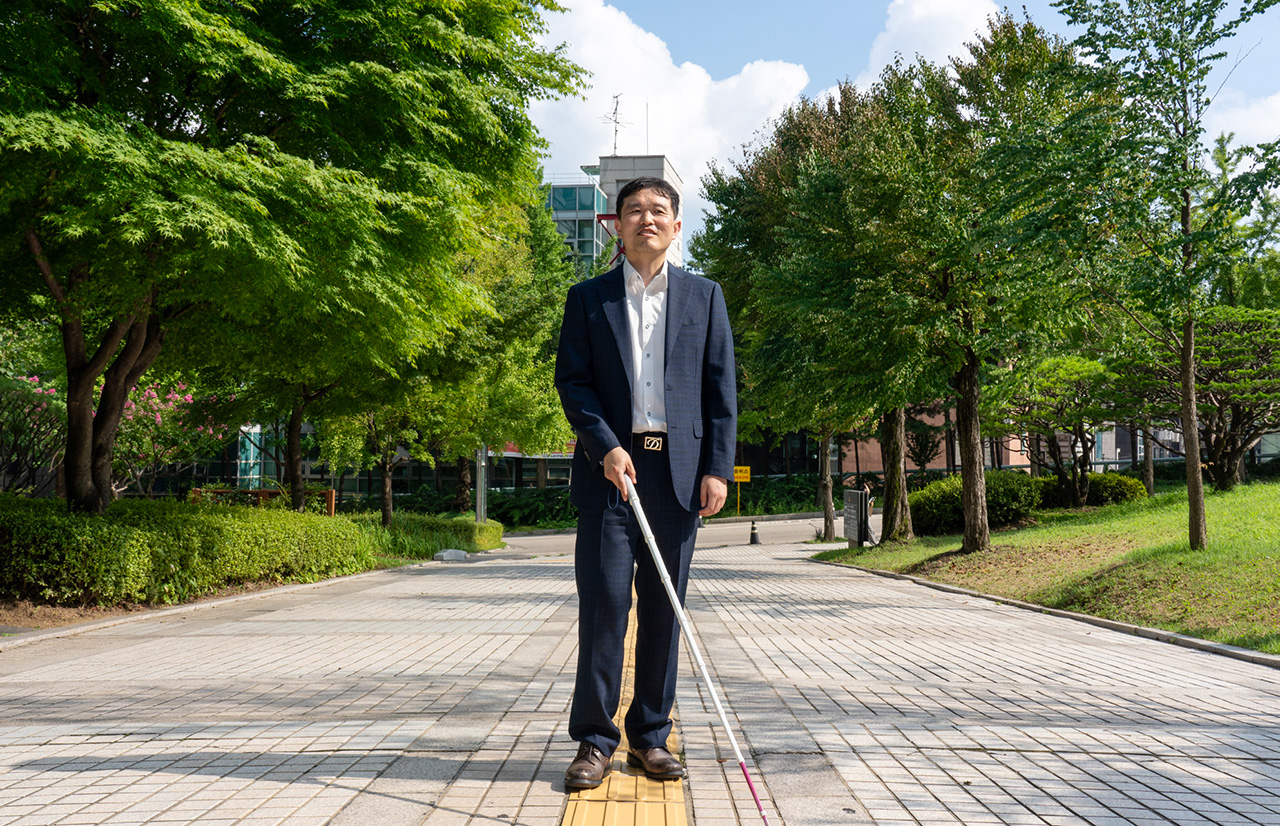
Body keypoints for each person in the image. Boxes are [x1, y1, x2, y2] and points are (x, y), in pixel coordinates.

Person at [554, 176, 737, 790]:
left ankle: (651, 737)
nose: (646, 219)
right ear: (617, 224)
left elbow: (720, 391)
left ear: (677, 226)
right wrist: (604, 445)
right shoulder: (588, 298)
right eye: (634, 210)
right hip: (610, 473)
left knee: (665, 608)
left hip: (677, 475)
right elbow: (573, 384)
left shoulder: (705, 296)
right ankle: (595, 740)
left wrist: (717, 466)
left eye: (659, 210)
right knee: (605, 604)